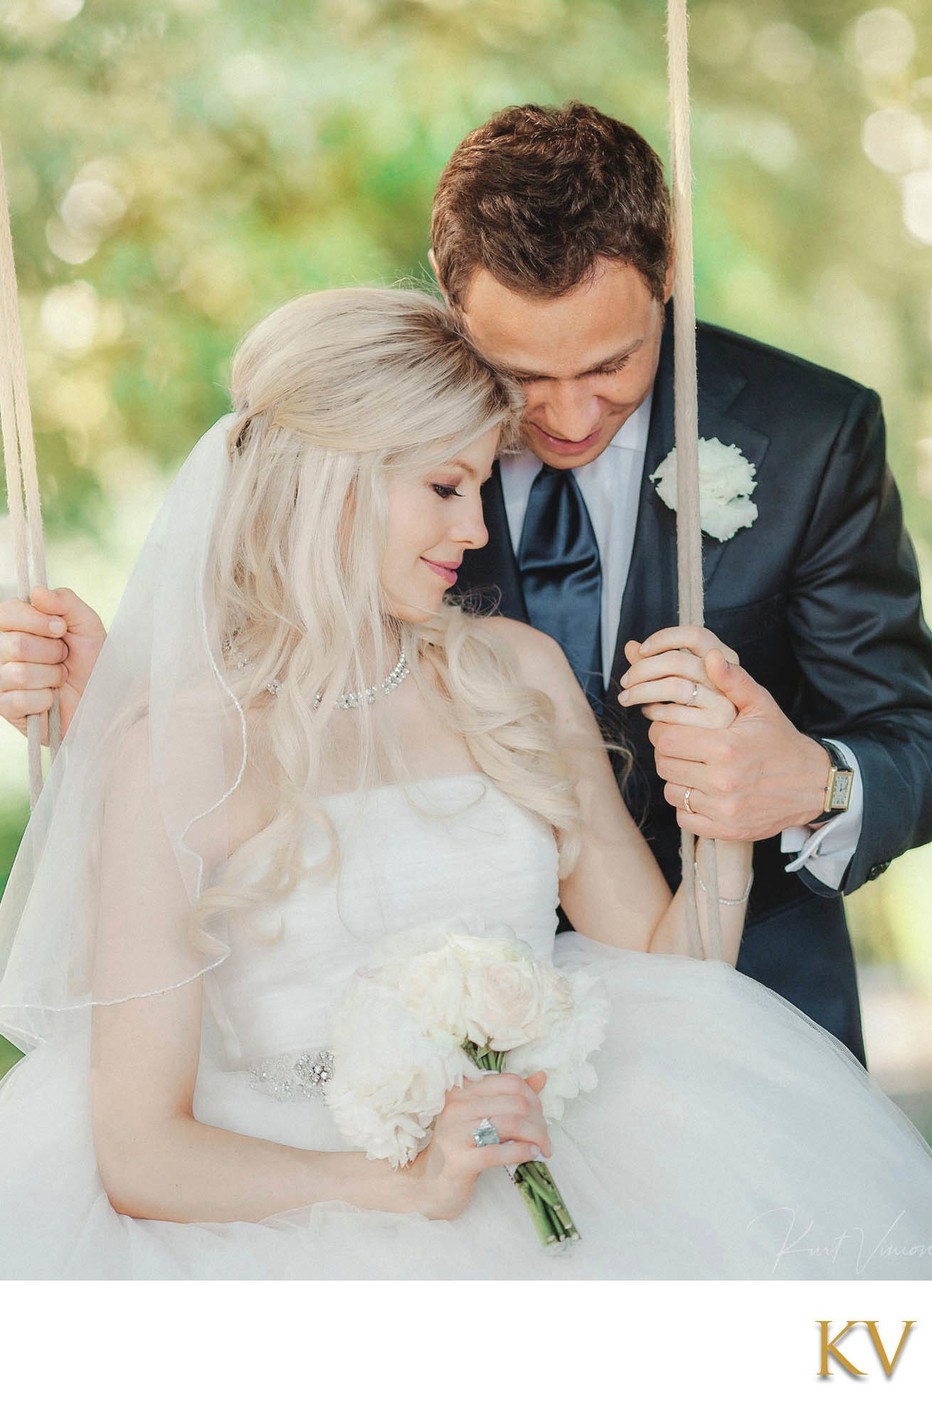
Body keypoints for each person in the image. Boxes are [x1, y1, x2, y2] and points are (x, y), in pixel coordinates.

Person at [0, 287, 930, 1281]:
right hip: (286, 1225)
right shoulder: (173, 752)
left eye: (483, 488)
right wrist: (400, 1184)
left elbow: (676, 970)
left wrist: (727, 802)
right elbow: (142, 1154)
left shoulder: (513, 674)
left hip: (582, 1160)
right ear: (337, 480)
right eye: (447, 488)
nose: (479, 530)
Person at [3, 106, 931, 1064]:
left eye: (613, 365)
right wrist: (112, 723)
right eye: (523, 375)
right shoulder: (357, 448)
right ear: (454, 308)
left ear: (665, 282)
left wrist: (810, 783)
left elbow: (911, 731)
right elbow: (263, 732)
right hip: (350, 1068)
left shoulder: (815, 434)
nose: (570, 417)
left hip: (734, 1020)